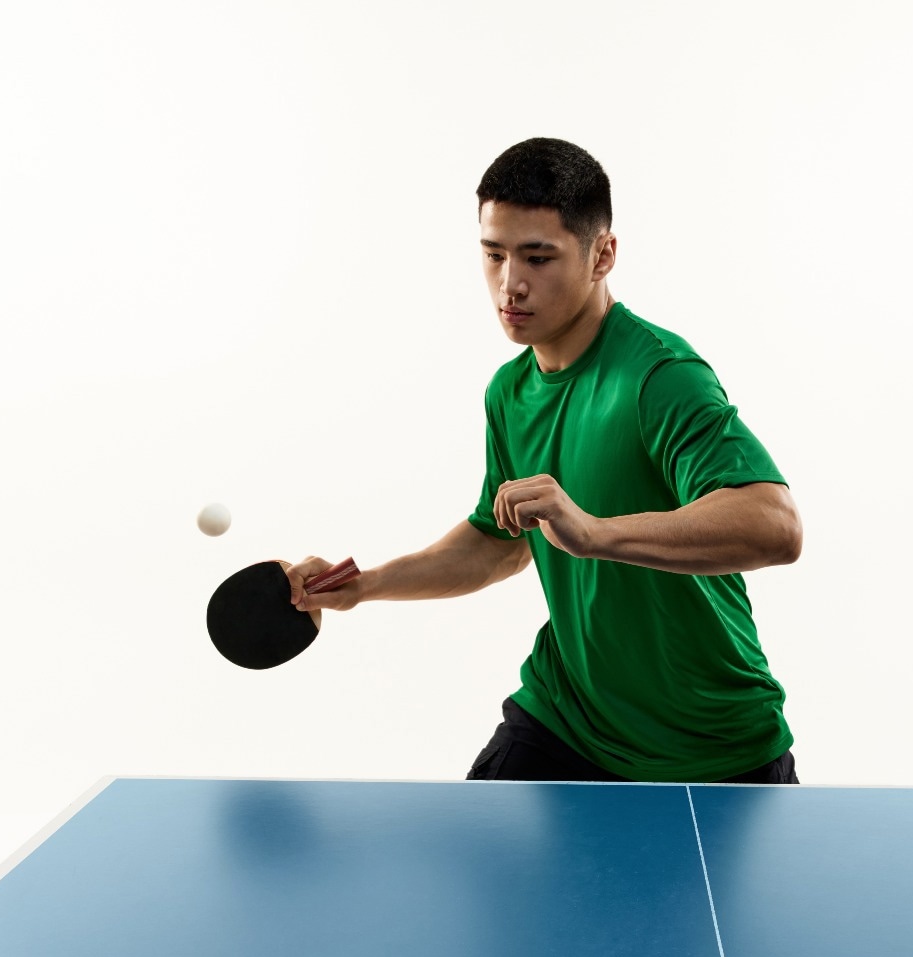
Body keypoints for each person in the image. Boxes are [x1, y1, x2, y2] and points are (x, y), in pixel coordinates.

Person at [282, 137, 802, 784]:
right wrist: (365, 585)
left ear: (602, 254)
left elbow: (774, 525)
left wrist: (594, 533)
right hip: (566, 719)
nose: (511, 284)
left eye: (538, 257)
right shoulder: (510, 391)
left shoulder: (658, 377)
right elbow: (499, 543)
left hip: (713, 744)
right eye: (493, 254)